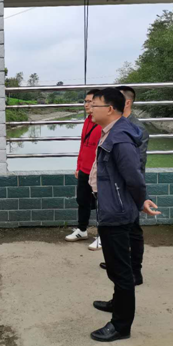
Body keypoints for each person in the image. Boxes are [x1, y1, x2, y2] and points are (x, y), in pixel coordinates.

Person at [87, 88, 159, 342]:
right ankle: (117, 304)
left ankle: (120, 326)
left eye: (94, 105)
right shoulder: (112, 131)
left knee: (120, 271)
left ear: (109, 109)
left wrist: (141, 200)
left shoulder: (119, 139)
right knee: (116, 268)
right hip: (112, 206)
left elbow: (134, 176)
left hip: (116, 210)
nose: (90, 108)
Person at [98, 86, 159, 282]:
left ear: (127, 103)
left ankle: (135, 270)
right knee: (123, 231)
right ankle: (120, 263)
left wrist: (140, 197)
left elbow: (136, 166)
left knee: (133, 229)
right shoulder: (114, 126)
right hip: (118, 186)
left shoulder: (134, 129)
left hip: (128, 187)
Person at [65, 89, 102, 249]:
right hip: (84, 170)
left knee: (102, 204)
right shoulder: (87, 120)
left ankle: (103, 236)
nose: (86, 105)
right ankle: (82, 230)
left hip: (98, 172)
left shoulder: (103, 123)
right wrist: (79, 167)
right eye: (85, 101)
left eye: (90, 102)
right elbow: (83, 146)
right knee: (82, 201)